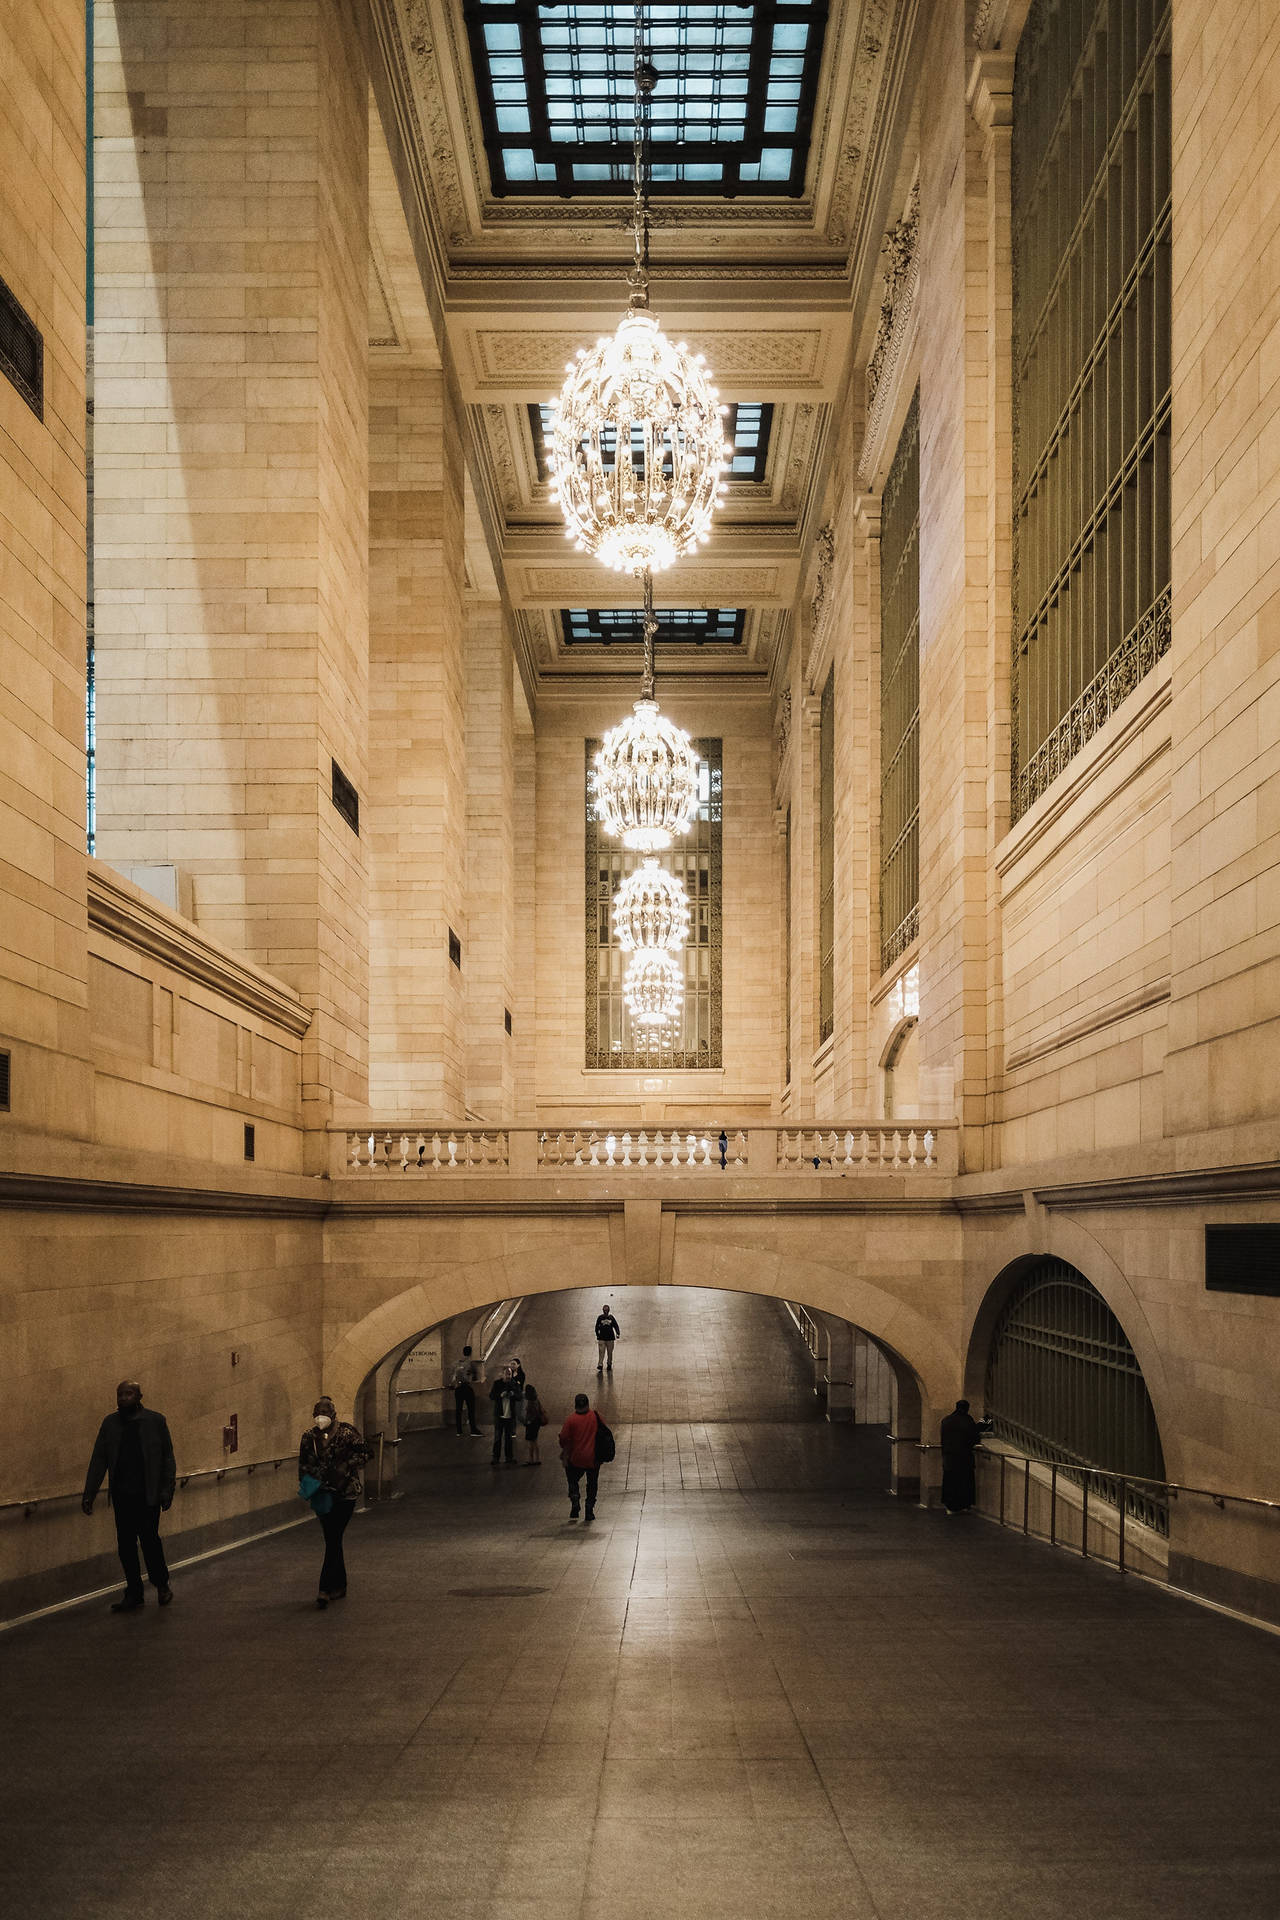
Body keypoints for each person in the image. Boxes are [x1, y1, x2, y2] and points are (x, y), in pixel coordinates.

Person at [82, 1379, 177, 1612]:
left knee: (150, 1542)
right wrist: (89, 1493)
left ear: (139, 1396)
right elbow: (99, 1459)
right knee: (125, 1546)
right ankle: (134, 1592)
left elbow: (167, 1458)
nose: (123, 1398)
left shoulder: (156, 1421)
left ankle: (161, 1585)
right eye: (120, 1394)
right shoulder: (110, 1424)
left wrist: (167, 1490)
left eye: (128, 1393)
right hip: (123, 1496)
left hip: (148, 1496)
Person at [298, 1396, 373, 1608]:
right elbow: (303, 1465)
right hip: (322, 1495)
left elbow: (368, 1453)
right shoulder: (308, 1438)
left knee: (333, 1538)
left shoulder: (347, 1433)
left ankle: (324, 1589)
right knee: (333, 1539)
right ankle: (340, 1584)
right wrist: (308, 1486)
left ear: (333, 1414)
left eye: (325, 1412)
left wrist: (346, 1467)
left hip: (345, 1494)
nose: (320, 1417)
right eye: (317, 1412)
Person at [939, 1399, 990, 1514]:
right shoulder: (968, 1421)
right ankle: (963, 1504)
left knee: (950, 1482)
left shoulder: (946, 1420)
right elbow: (975, 1436)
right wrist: (986, 1420)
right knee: (964, 1482)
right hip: (964, 1458)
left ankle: (950, 1506)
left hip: (949, 1458)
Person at [559, 1392, 602, 1523]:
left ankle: (575, 1498)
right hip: (593, 1457)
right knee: (592, 1483)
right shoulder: (596, 1416)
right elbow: (604, 1432)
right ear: (588, 1404)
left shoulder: (571, 1420)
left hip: (576, 1457)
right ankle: (589, 1509)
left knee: (572, 1479)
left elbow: (563, 1438)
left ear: (575, 1405)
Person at [489, 1365, 520, 1465]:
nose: (508, 1376)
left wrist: (513, 1394)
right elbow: (491, 1396)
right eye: (506, 1374)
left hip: (510, 1416)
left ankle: (509, 1457)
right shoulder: (497, 1384)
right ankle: (496, 1458)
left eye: (509, 1374)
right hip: (499, 1415)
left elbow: (519, 1396)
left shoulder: (514, 1384)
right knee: (498, 1437)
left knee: (508, 1438)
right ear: (502, 1375)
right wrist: (500, 1395)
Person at [451, 1345, 482, 1436]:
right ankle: (473, 1430)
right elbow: (476, 1377)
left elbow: (453, 1376)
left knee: (458, 1409)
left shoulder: (456, 1363)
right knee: (471, 1409)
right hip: (466, 1388)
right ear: (471, 1353)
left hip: (458, 1388)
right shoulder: (471, 1363)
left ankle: (459, 1431)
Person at [522, 1383, 548, 1465]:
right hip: (537, 1423)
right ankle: (537, 1458)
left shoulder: (530, 1402)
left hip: (531, 1424)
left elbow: (530, 1414)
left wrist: (527, 1422)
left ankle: (531, 1459)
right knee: (535, 1441)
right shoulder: (536, 1399)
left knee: (531, 1442)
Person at [594, 1304, 620, 1374]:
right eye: (604, 1310)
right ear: (603, 1310)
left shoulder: (611, 1318)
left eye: (606, 1310)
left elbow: (615, 1325)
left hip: (610, 1338)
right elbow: (596, 1327)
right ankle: (600, 1364)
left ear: (608, 1311)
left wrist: (618, 1333)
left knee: (610, 1352)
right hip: (602, 1338)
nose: (605, 1311)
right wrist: (597, 1334)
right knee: (601, 1351)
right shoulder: (600, 1318)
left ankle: (609, 1363)